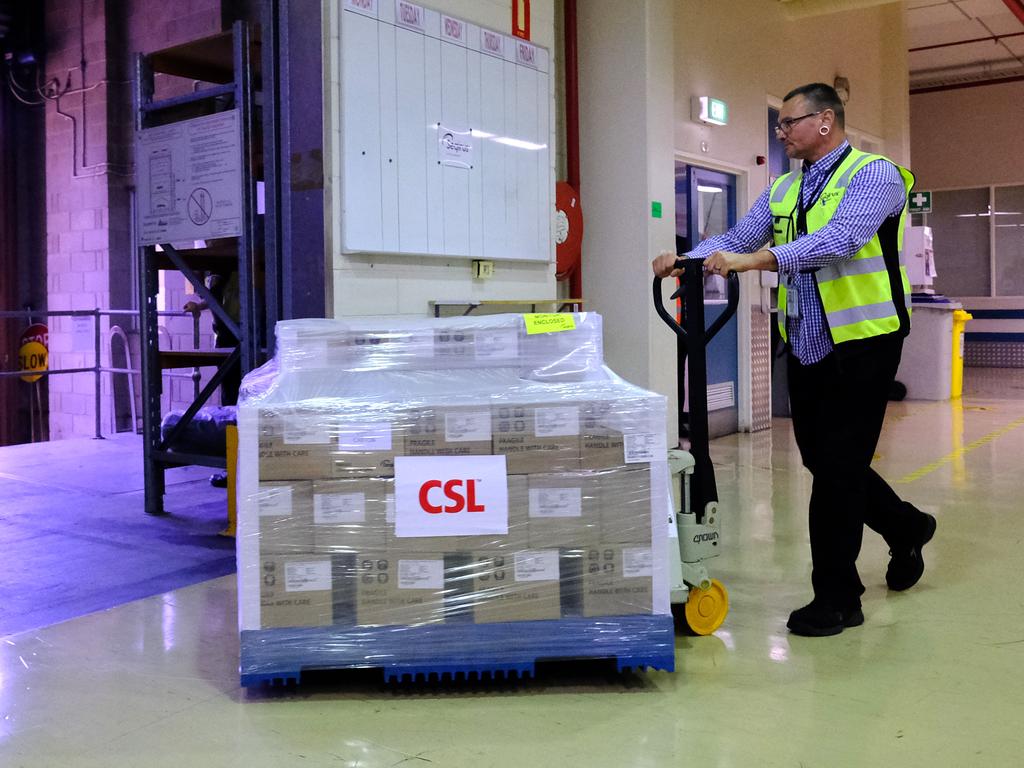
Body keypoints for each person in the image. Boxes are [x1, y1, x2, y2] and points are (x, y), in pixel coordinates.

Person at [652, 83, 936, 637]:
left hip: (864, 341)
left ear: (825, 121)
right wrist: (684, 256)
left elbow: (842, 240)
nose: (781, 133)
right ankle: (907, 527)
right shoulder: (785, 189)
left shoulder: (875, 175)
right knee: (826, 461)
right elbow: (738, 235)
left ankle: (837, 595)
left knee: (836, 469)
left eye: (789, 123)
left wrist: (753, 261)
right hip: (807, 340)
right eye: (780, 125)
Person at [184, 271, 241, 487]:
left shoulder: (235, 264)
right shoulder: (220, 273)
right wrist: (200, 306)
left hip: (239, 336)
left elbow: (232, 299)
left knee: (236, 403)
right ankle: (233, 465)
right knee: (230, 402)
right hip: (227, 338)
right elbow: (219, 299)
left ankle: (236, 467)